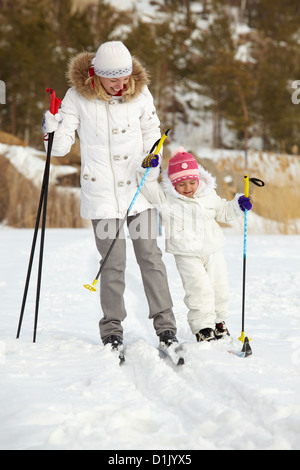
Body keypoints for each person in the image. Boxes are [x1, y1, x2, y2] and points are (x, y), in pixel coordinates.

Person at [42, 41, 178, 352]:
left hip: (139, 192)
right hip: (102, 195)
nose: (121, 85)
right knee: (113, 262)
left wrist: (153, 161)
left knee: (150, 258)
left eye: (125, 78)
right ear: (96, 75)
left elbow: (152, 133)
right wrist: (51, 130)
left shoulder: (140, 94)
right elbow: (59, 147)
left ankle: (166, 327)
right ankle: (112, 329)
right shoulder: (78, 98)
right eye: (113, 79)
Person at [138, 147, 253, 342]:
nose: (188, 187)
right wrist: (148, 171)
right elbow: (147, 186)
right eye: (181, 184)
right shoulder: (167, 199)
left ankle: (218, 321)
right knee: (198, 290)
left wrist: (237, 205)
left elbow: (223, 211)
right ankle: (203, 327)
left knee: (220, 288)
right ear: (173, 184)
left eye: (192, 181)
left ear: (198, 178)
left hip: (213, 250)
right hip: (186, 253)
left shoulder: (208, 195)